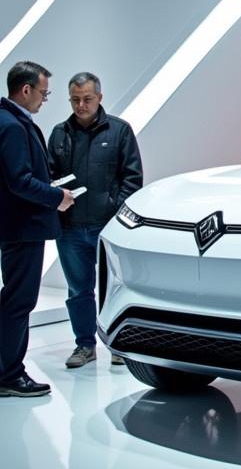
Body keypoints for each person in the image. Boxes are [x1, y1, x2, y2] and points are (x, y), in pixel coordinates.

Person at [48, 72, 143, 368]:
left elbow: (132, 179)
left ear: (100, 98)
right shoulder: (59, 133)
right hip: (71, 228)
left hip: (108, 228)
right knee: (79, 290)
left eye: (87, 99)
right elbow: (48, 176)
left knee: (113, 289)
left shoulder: (120, 131)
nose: (80, 105)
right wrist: (55, 198)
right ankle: (84, 346)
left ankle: (117, 345)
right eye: (75, 100)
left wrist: (114, 210)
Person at [0, 61, 74, 397]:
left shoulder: (9, 120)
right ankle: (10, 375)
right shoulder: (13, 126)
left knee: (14, 300)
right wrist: (56, 195)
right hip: (22, 228)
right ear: (25, 89)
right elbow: (19, 181)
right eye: (43, 93)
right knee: (18, 302)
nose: (45, 100)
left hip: (17, 226)